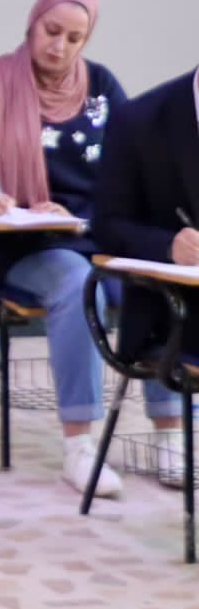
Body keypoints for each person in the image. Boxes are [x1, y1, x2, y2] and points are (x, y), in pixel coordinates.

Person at [0, 0, 182, 498]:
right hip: (26, 249)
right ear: (32, 23)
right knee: (75, 282)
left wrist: (80, 215)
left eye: (74, 38)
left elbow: (134, 173)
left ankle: (170, 435)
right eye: (51, 31)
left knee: (159, 283)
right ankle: (80, 447)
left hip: (98, 236)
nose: (59, 47)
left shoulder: (103, 87)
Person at [92, 65, 199, 484]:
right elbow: (107, 225)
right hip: (176, 309)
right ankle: (170, 431)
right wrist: (168, 246)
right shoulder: (139, 119)